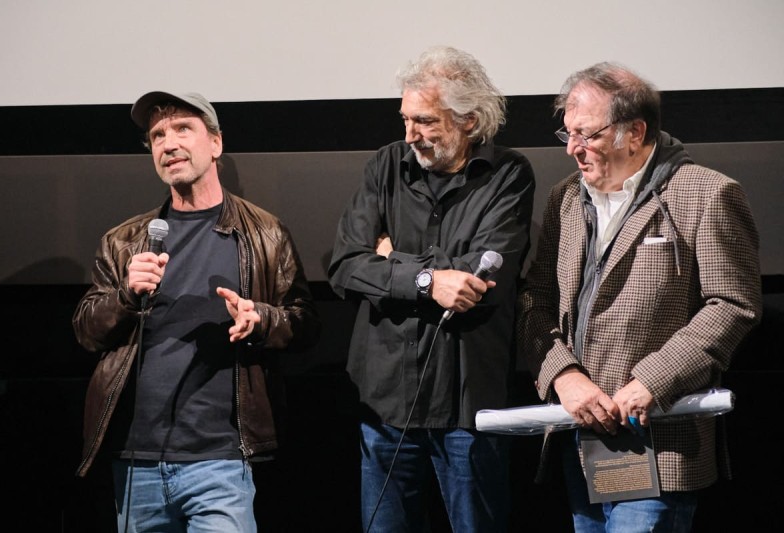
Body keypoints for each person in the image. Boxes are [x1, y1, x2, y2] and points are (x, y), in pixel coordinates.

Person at [517, 61, 763, 532]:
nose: (572, 148)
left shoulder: (706, 194)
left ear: (634, 132)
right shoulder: (565, 199)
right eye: (568, 133)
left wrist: (653, 379)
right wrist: (563, 375)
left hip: (658, 436)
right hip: (581, 436)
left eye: (586, 134)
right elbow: (535, 299)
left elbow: (733, 305)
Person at [72, 90, 320, 532]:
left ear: (216, 143)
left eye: (183, 129)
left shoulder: (264, 234)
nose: (168, 144)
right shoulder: (125, 240)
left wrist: (261, 319)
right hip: (137, 460)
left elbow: (304, 323)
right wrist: (126, 295)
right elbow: (87, 331)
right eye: (157, 136)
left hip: (220, 459)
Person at [328, 45, 535, 532]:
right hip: (385, 405)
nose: (410, 135)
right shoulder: (386, 165)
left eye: (424, 121)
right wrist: (427, 280)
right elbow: (344, 266)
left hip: (466, 407)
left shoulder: (509, 174)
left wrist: (390, 261)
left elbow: (480, 281)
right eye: (405, 119)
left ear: (468, 120)